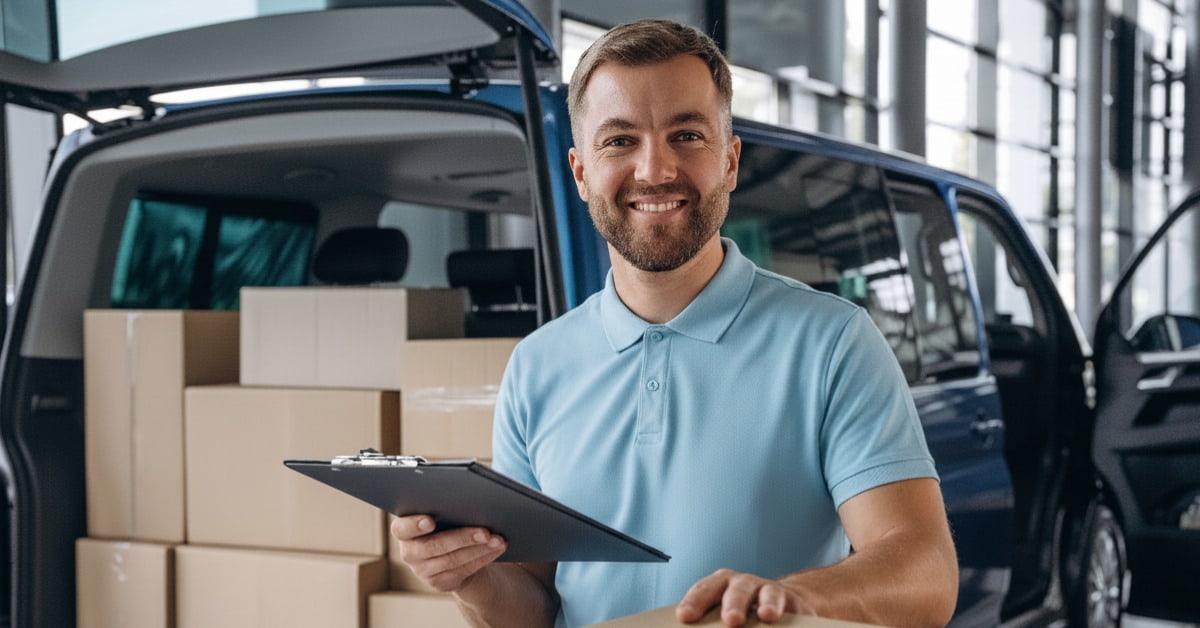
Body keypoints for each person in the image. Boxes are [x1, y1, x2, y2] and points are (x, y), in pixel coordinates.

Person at [391, 18, 958, 627]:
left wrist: (795, 599)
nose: (655, 169)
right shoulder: (537, 364)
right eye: (619, 141)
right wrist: (475, 581)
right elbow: (535, 606)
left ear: (730, 161)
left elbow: (925, 574)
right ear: (580, 173)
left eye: (687, 134)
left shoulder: (832, 342)